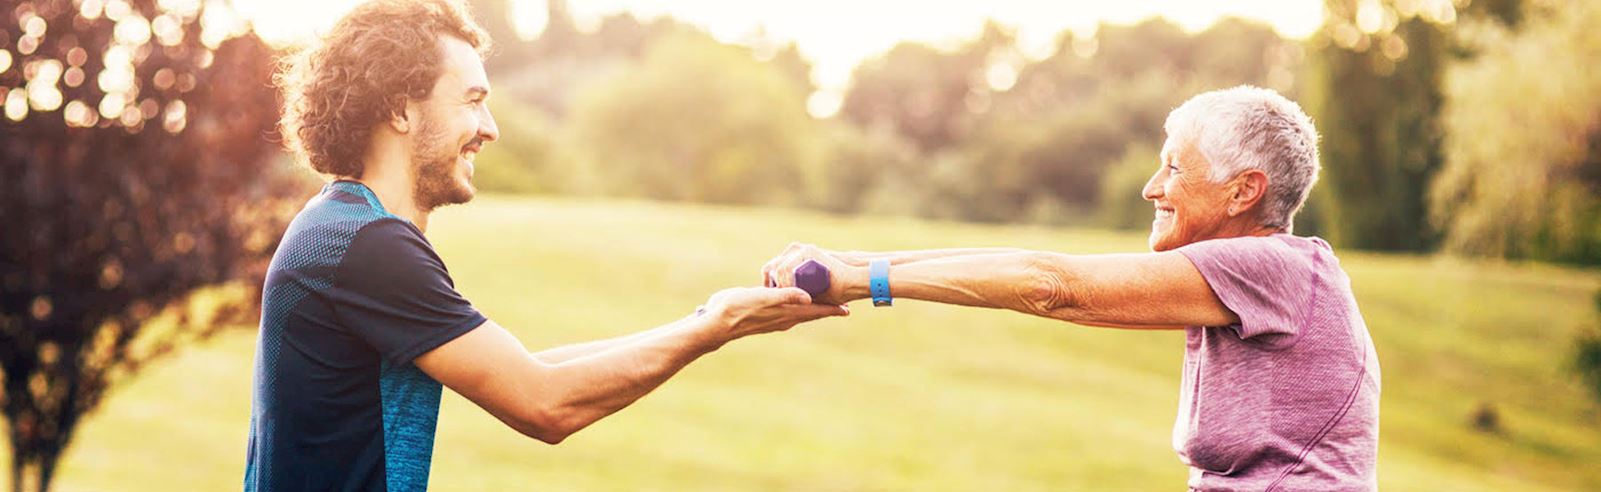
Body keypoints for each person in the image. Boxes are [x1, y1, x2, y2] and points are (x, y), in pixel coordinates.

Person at [243, 1, 847, 489]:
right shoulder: (368, 246)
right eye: (473, 101)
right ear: (401, 109)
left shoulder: (343, 227)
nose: (491, 128)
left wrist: (708, 317)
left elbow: (529, 370)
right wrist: (715, 328)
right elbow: (545, 405)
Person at [765, 86, 1380, 491]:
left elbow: (1052, 286)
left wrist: (859, 280)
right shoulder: (1247, 282)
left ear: (1243, 191)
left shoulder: (1272, 268)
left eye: (1174, 166)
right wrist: (849, 263)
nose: (1151, 187)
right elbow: (1037, 272)